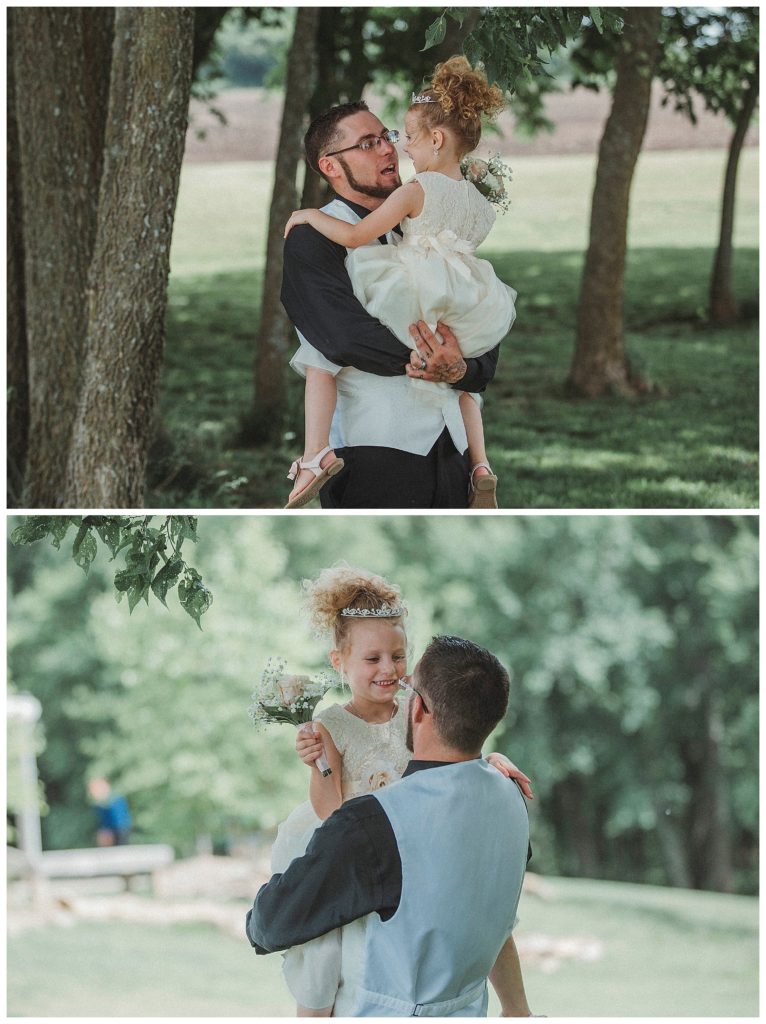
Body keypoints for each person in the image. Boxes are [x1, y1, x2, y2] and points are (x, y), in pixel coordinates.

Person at [266, 567, 533, 1017]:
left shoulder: (415, 709)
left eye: (398, 656)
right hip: (358, 844)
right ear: (340, 662)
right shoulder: (333, 725)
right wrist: (319, 766)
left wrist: (487, 762)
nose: (389, 669)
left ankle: (518, 1009)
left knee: (484, 919)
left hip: (416, 842)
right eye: (373, 659)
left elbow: (450, 762)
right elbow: (330, 811)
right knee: (323, 951)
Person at [285, 57, 516, 513]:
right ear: (330, 166)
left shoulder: (423, 223)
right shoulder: (313, 237)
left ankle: (482, 468)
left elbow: (473, 324)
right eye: (368, 144)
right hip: (373, 450)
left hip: (452, 450)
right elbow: (341, 336)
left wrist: (462, 369)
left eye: (387, 136)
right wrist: (429, 359)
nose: (389, 150)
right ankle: (314, 459)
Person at [86, 777, 132, 847]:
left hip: (119, 830)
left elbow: (120, 821)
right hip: (115, 830)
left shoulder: (113, 800)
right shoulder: (102, 804)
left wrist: (107, 832)